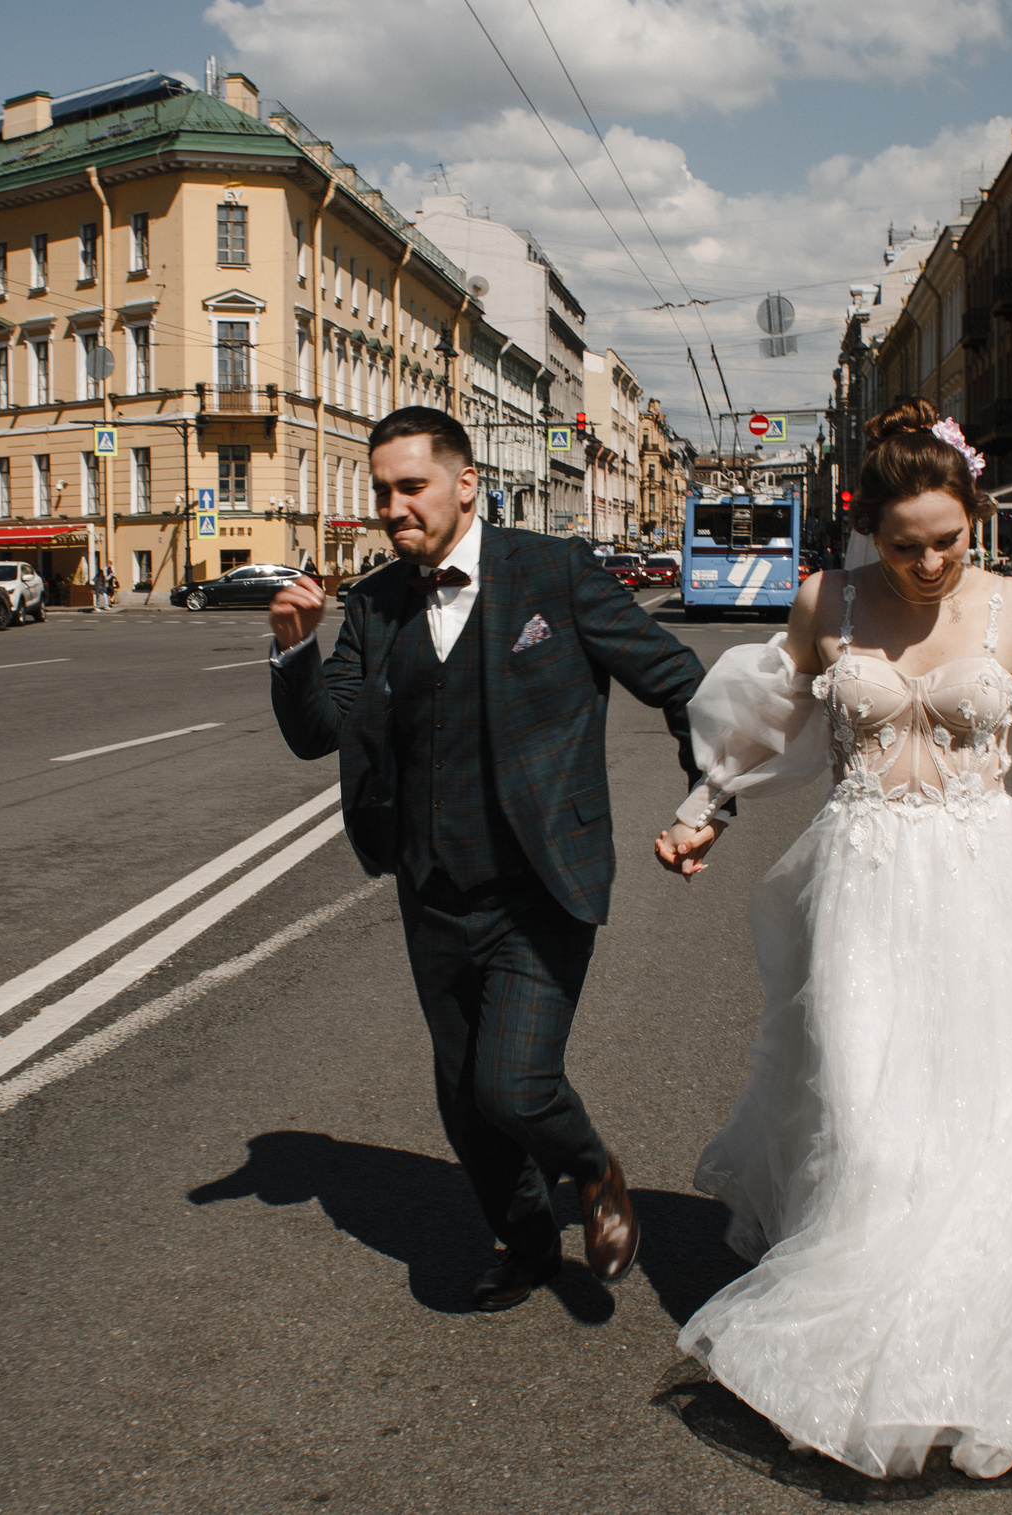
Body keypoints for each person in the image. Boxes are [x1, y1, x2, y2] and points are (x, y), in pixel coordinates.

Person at [651, 396, 1012, 1482]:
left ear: (975, 520)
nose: (929, 564)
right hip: (860, 881)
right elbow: (766, 727)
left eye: (947, 541)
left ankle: (972, 1366)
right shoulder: (828, 602)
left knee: (987, 1126)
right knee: (869, 1120)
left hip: (979, 885)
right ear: (868, 531)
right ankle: (850, 1351)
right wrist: (699, 809)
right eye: (905, 546)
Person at [267, 406, 708, 1312]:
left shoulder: (556, 572)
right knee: (466, 1100)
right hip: (431, 890)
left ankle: (592, 1170)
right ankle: (529, 1240)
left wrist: (706, 802)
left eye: (411, 487)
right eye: (382, 491)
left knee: (514, 1082)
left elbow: (678, 681)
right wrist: (292, 649)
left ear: (466, 483)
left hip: (542, 879)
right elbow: (323, 733)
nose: (393, 507)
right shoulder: (379, 601)